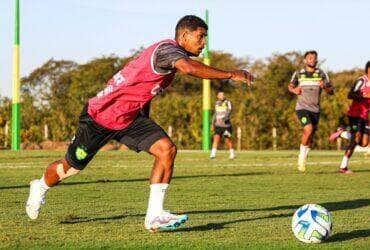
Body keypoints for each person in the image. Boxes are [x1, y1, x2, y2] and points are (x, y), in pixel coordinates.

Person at [25, 15, 253, 232]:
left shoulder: (170, 61)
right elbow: (191, 69)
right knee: (71, 168)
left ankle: (154, 215)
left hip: (129, 118)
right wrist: (232, 74)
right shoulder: (167, 50)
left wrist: (144, 121)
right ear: (184, 36)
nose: (204, 42)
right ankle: (40, 186)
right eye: (200, 36)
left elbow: (144, 91)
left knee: (167, 149)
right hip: (99, 117)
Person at [288, 51, 334, 172]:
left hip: (315, 110)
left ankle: (304, 156)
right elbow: (290, 86)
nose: (312, 60)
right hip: (302, 108)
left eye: (314, 58)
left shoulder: (322, 74)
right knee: (308, 129)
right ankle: (301, 158)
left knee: (311, 139)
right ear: (305, 60)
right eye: (309, 58)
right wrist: (294, 90)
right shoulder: (298, 73)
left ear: (316, 60)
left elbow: (331, 91)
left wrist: (325, 86)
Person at [329, 61, 370, 173]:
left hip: (365, 117)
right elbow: (350, 94)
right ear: (368, 69)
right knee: (355, 139)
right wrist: (364, 95)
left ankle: (341, 133)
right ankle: (343, 167)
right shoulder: (362, 81)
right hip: (355, 115)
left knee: (364, 143)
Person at [210, 91, 235, 159]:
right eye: (220, 95)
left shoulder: (227, 102)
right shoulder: (216, 103)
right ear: (217, 96)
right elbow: (215, 114)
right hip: (218, 125)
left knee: (228, 140)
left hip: (226, 125)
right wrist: (212, 123)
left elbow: (230, 111)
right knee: (216, 138)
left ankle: (232, 153)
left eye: (223, 95)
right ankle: (213, 154)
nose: (222, 96)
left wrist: (225, 118)